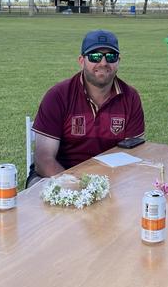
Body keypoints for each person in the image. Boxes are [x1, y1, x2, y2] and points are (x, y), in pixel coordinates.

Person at [27, 29, 144, 186]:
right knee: (36, 189)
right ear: (81, 60)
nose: (103, 63)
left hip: (109, 181)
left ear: (118, 61)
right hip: (58, 176)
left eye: (111, 56)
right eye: (95, 56)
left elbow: (133, 154)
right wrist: (78, 186)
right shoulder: (58, 95)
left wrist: (103, 188)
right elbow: (43, 160)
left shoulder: (130, 97)